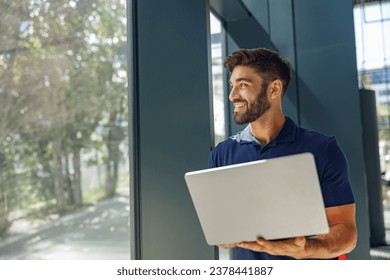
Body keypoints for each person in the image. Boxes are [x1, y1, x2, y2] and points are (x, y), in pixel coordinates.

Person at [208, 48, 357, 260]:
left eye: (243, 85)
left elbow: (347, 234)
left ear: (274, 88)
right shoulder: (222, 155)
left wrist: (306, 249)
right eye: (232, 86)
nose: (232, 96)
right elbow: (221, 229)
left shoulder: (322, 149)